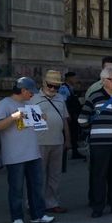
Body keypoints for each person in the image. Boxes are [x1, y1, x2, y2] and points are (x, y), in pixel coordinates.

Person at [0, 77, 55, 223]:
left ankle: (38, 214)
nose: (32, 95)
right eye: (30, 92)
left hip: (33, 152)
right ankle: (17, 217)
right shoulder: (4, 104)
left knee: (36, 186)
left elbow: (35, 124)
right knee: (16, 188)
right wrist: (13, 117)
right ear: (23, 90)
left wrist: (41, 118)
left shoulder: (29, 104)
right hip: (15, 155)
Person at [79, 65, 112, 218]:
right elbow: (82, 119)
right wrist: (93, 132)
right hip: (99, 143)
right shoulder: (94, 97)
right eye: (111, 79)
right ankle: (98, 206)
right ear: (103, 80)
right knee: (98, 175)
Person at [32, 70, 71, 213]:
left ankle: (52, 203)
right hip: (39, 142)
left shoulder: (60, 98)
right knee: (38, 175)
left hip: (58, 142)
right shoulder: (34, 98)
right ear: (44, 83)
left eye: (56, 86)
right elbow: (26, 123)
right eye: (50, 85)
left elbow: (65, 120)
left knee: (55, 175)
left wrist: (68, 139)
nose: (53, 89)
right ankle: (34, 204)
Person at [62, 72, 84, 159]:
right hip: (70, 116)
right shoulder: (64, 88)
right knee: (70, 134)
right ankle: (65, 154)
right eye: (74, 78)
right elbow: (63, 103)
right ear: (69, 78)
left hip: (74, 115)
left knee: (75, 134)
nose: (76, 80)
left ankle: (75, 152)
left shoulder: (70, 88)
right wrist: (67, 114)